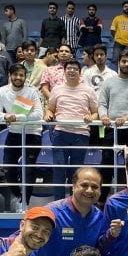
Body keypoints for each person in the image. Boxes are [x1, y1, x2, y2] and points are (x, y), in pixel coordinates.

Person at [0, 63, 44, 211]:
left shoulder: (32, 92)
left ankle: (24, 202)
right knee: (8, 168)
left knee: (28, 169)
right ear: (10, 76)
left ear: (25, 77)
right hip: (14, 132)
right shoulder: (2, 91)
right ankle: (18, 196)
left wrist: (17, 117)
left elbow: (38, 115)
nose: (18, 77)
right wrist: (5, 116)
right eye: (15, 74)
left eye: (21, 75)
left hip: (32, 133)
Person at [44, 59, 98, 201]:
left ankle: (75, 202)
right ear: (64, 71)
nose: (72, 71)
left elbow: (95, 112)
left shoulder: (88, 90)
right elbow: (50, 109)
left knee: (76, 172)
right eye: (69, 68)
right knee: (59, 169)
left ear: (80, 73)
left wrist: (90, 117)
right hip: (60, 133)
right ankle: (58, 203)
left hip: (81, 134)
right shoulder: (56, 89)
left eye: (75, 69)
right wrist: (48, 114)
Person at [98, 49, 128, 186]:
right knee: (106, 165)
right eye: (124, 61)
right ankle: (102, 197)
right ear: (118, 62)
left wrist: (126, 118)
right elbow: (102, 104)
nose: (126, 64)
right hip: (111, 128)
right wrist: (103, 116)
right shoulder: (108, 83)